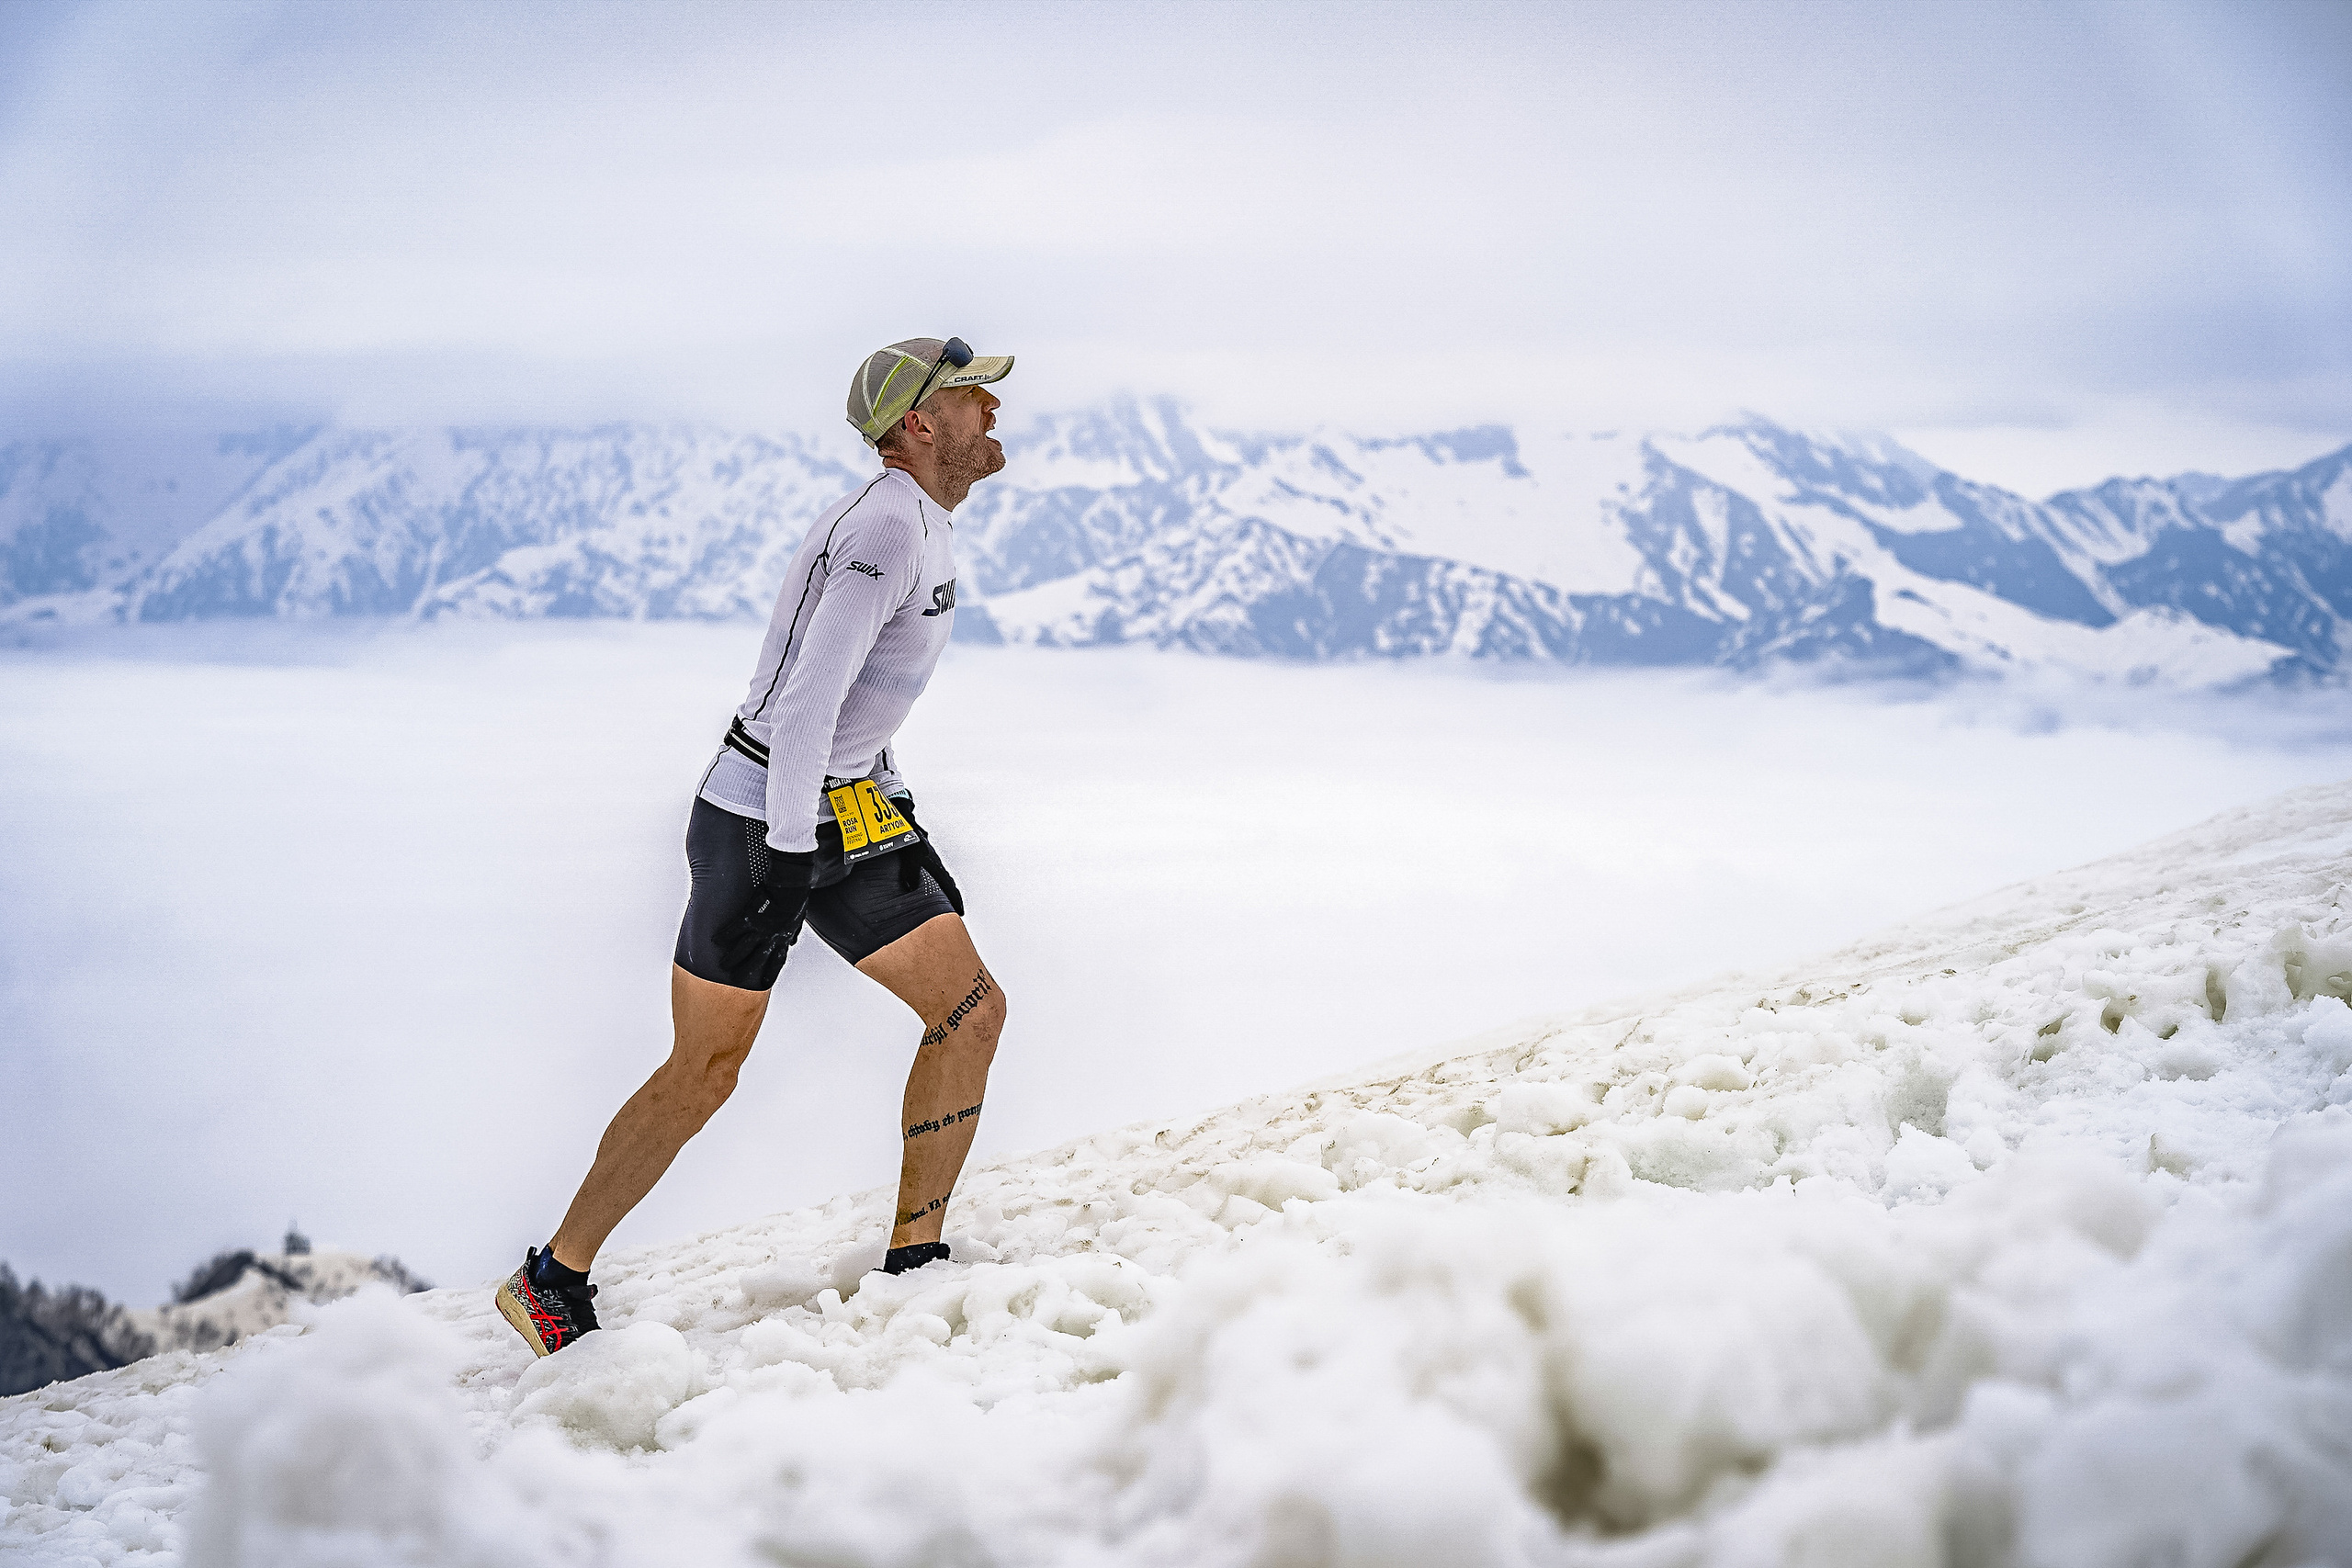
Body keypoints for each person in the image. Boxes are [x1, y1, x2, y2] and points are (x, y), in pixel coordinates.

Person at [496, 336, 1015, 1357]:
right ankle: (551, 1276)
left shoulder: (923, 523)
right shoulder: (883, 529)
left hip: (841, 808)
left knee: (970, 1010)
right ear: (918, 424)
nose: (990, 415)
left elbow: (866, 702)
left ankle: (914, 1263)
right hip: (758, 817)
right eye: (970, 400)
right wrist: (783, 851)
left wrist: (894, 801)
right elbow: (809, 703)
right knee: (709, 1065)